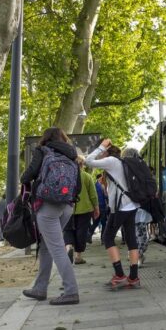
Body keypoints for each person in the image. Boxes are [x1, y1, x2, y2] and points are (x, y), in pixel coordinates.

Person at [20, 127, 80, 305]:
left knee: (57, 249)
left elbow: (27, 176)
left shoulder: (42, 151)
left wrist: (28, 178)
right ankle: (40, 288)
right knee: (47, 245)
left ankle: (71, 291)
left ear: (45, 139)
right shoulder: (71, 154)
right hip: (67, 206)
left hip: (48, 207)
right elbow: (78, 184)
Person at [85, 139, 141, 289]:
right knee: (131, 239)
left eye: (102, 152)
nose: (100, 155)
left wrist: (101, 147)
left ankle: (120, 275)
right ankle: (134, 277)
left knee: (108, 237)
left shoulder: (111, 161)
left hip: (121, 207)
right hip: (132, 205)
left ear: (107, 152)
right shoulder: (121, 162)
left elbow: (88, 161)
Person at [64, 156, 99, 265]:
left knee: (68, 230)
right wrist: (96, 208)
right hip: (85, 209)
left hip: (67, 208)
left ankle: (68, 247)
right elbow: (93, 195)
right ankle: (78, 256)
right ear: (82, 164)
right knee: (81, 232)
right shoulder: (87, 176)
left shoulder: (65, 176)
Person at [88, 173, 109, 245]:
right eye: (102, 178)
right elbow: (105, 197)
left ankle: (89, 236)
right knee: (103, 223)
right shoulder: (101, 186)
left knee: (96, 223)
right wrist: (105, 192)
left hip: (97, 206)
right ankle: (102, 239)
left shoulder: (95, 185)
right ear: (100, 178)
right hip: (102, 206)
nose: (103, 179)